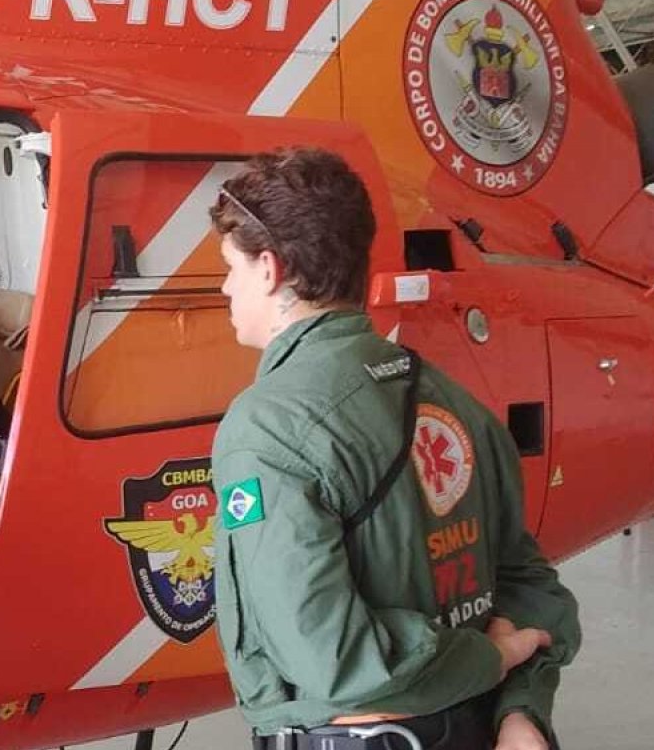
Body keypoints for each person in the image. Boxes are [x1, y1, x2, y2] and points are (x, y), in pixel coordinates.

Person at [207, 148, 580, 750]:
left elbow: (331, 656)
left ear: (271, 269)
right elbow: (533, 589)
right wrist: (522, 708)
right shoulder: (459, 404)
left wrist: (488, 660)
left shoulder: (266, 429)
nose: (226, 286)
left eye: (231, 266)